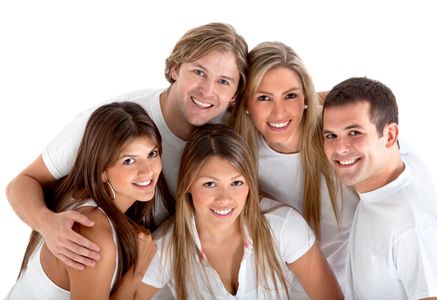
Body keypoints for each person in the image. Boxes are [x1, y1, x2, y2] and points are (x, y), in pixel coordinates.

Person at [6, 22, 248, 269]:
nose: (207, 91)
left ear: (236, 93)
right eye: (199, 72)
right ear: (176, 69)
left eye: (224, 82)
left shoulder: (229, 136)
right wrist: (46, 223)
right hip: (85, 265)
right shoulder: (116, 122)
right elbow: (22, 182)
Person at [137, 124, 343, 299]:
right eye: (210, 184)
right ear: (188, 184)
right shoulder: (166, 245)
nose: (225, 199)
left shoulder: (283, 226)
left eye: (236, 183)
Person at [232, 41, 359, 292]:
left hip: (353, 286)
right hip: (280, 290)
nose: (279, 112)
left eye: (290, 96)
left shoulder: (338, 138)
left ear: (305, 98)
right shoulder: (239, 152)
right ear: (246, 103)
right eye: (264, 98)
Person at [6, 102, 162, 299]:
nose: (147, 171)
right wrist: (136, 273)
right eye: (128, 160)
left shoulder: (84, 198)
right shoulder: (92, 231)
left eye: (152, 154)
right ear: (102, 170)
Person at [322, 77, 437, 299]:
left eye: (354, 133)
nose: (340, 148)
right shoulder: (402, 162)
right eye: (331, 135)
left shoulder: (411, 227)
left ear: (390, 135)